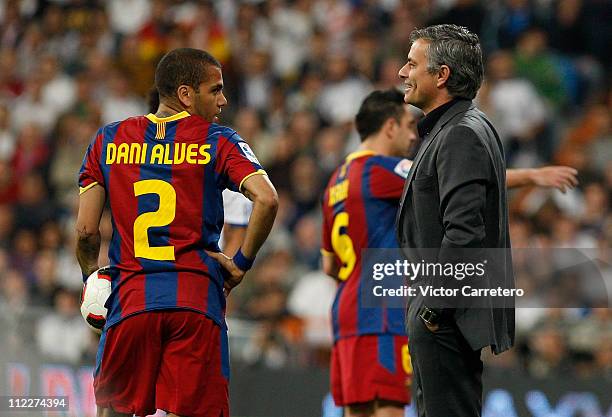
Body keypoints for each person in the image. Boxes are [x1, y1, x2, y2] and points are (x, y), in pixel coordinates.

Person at [321, 89, 577, 417]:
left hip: (346, 309)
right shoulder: (379, 170)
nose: (414, 135)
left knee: (357, 410)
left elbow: (329, 264)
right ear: (389, 127)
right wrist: (531, 175)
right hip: (382, 309)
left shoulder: (335, 181)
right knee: (388, 406)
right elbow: (458, 176)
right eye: (407, 126)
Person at [76, 48, 278, 417]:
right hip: (196, 302)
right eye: (215, 90)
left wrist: (92, 278)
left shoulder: (107, 140)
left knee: (112, 411)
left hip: (131, 301)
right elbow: (267, 198)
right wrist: (241, 263)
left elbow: (87, 230)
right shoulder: (218, 140)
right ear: (186, 94)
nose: (224, 99)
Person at [396, 24, 513, 417]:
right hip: (444, 314)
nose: (402, 72)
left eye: (412, 64)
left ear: (442, 75)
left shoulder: (460, 132)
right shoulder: (456, 126)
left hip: (446, 317)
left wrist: (432, 307)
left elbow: (465, 233)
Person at [147, 87, 253, 255]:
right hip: (191, 273)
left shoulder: (131, 163)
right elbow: (266, 198)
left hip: (145, 273)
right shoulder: (223, 159)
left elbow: (237, 237)